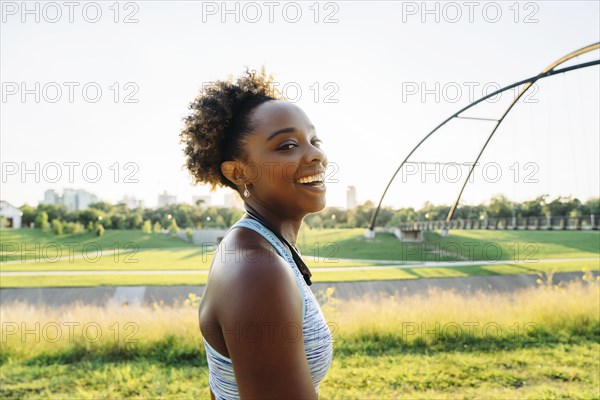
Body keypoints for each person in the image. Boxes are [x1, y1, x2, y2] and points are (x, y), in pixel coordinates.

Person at [179, 66, 333, 399]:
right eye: (288, 145)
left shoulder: (263, 246)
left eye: (314, 140)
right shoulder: (258, 270)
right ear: (239, 172)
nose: (317, 154)